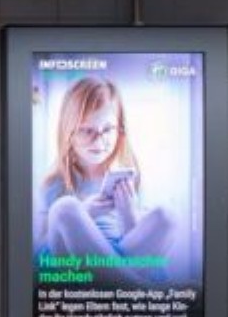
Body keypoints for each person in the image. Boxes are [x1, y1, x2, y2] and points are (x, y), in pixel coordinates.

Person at [35, 76, 174, 277]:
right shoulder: (53, 183)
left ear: (120, 130)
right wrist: (85, 213)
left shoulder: (131, 179)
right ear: (68, 132)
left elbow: (138, 243)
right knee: (64, 208)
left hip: (121, 260)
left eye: (108, 129)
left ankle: (120, 284)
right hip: (73, 266)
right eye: (86, 130)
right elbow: (40, 250)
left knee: (167, 217)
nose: (99, 140)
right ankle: (137, 290)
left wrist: (128, 213)